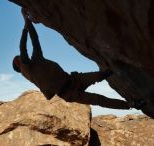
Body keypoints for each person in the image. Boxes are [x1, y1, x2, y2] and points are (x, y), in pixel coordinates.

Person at [12, 9, 141, 110]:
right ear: (18, 64)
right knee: (98, 99)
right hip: (68, 93)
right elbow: (23, 47)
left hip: (73, 79)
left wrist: (28, 22)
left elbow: (34, 39)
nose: (20, 56)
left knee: (101, 75)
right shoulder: (27, 70)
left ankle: (124, 67)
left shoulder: (36, 58)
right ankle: (131, 105)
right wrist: (24, 23)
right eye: (18, 58)